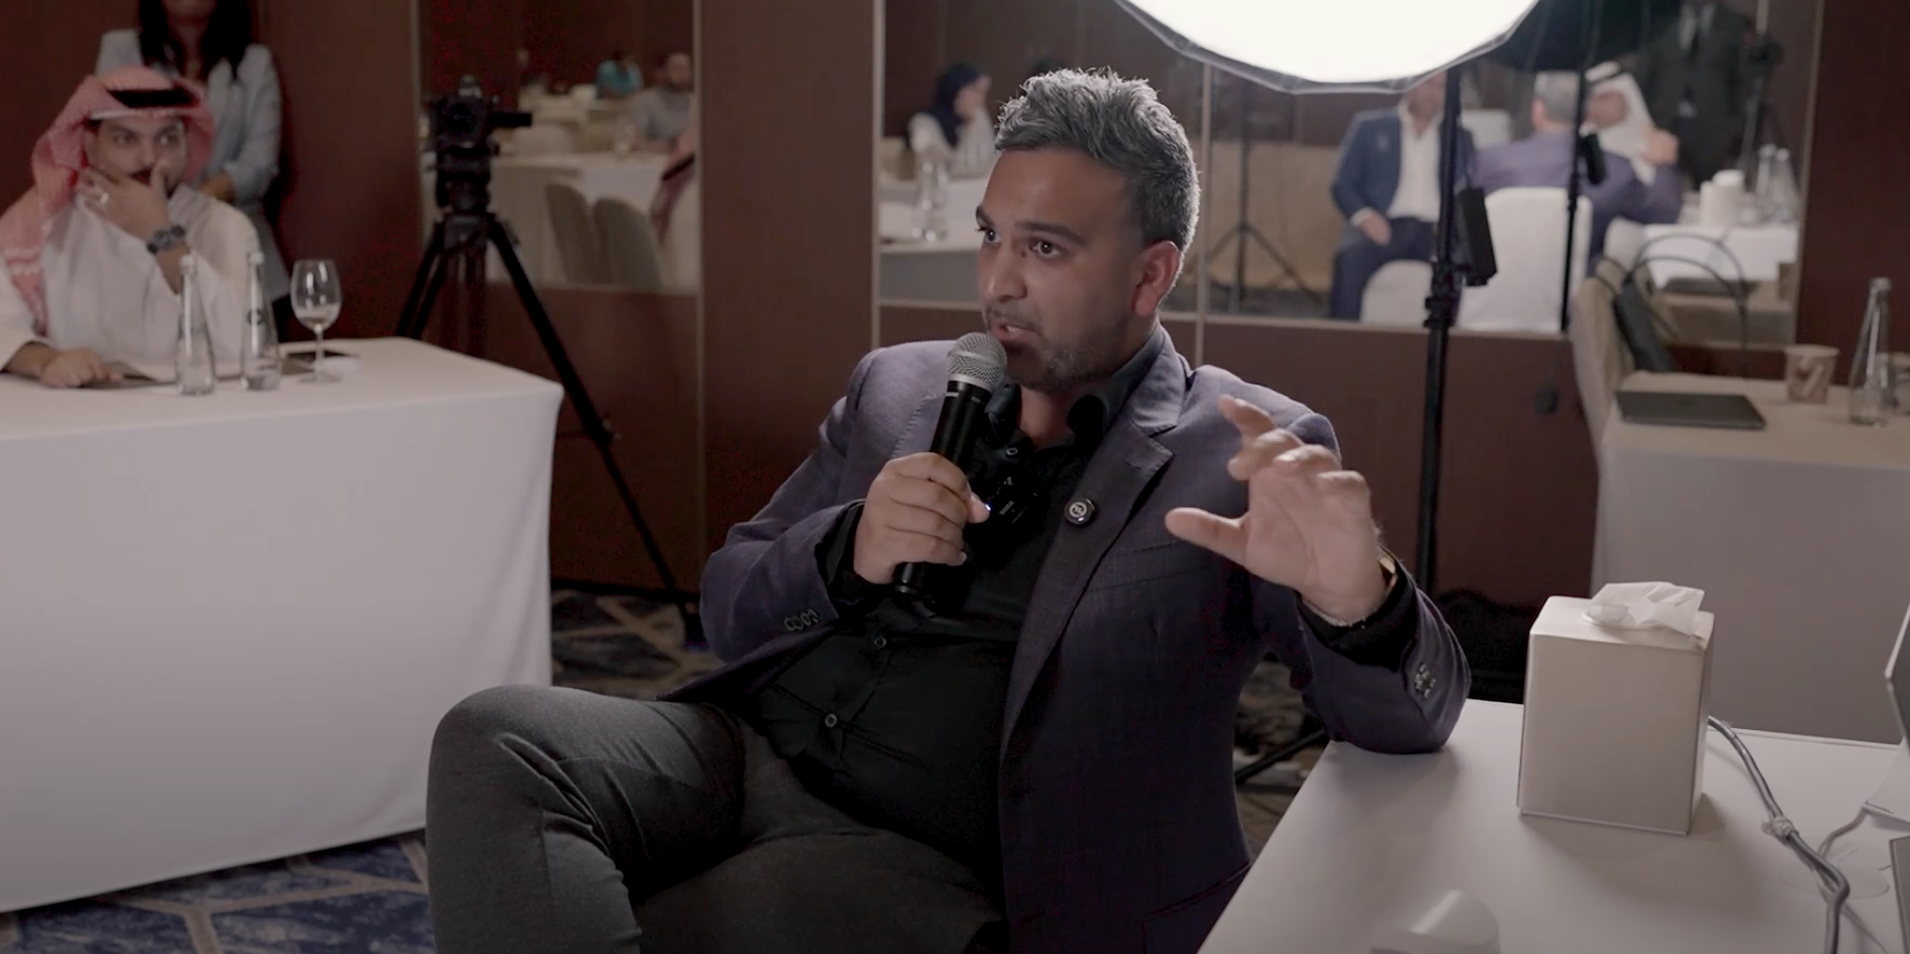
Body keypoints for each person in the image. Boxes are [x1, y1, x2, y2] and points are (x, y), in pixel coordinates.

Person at [425, 69, 1467, 954]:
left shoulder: (1236, 448)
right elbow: (731, 604)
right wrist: (848, 549)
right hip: (746, 755)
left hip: (942, 857)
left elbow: (1408, 724)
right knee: (494, 737)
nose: (998, 282)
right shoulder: (899, 387)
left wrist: (1357, 599)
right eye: (990, 236)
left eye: (1045, 250)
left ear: (1151, 274)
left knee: (699, 916)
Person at [0, 68, 256, 388]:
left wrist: (161, 236)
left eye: (167, 139)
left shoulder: (224, 225)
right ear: (91, 146)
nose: (149, 158)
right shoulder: (43, 223)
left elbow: (248, 344)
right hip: (81, 409)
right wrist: (46, 361)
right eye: (125, 139)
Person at [98, 0, 287, 320]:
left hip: (238, 256)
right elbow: (112, 136)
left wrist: (190, 208)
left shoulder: (255, 63)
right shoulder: (122, 49)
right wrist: (156, 218)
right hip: (136, 256)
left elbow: (258, 165)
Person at [1475, 71, 1682, 261]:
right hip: (1580, 287)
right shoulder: (1615, 171)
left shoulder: (1488, 163)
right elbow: (1664, 213)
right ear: (1588, 113)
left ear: (1537, 109)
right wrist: (1664, 164)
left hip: (1501, 285)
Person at [1326, 70, 1476, 319]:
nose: (1433, 93)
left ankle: (1451, 338)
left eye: (1442, 87)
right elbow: (1342, 184)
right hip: (1384, 224)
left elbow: (1467, 188)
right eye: (1429, 84)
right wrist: (1365, 217)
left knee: (1462, 264)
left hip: (1435, 231)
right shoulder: (1369, 127)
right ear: (1410, 85)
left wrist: (1452, 223)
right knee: (1350, 258)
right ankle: (1341, 335)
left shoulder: (1460, 137)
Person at [1631, 0, 1752, 184]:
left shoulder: (1734, 23)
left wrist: (1734, 128)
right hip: (1664, 122)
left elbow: (1742, 81)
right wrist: (1643, 121)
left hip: (1713, 128)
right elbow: (1645, 72)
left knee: (1708, 188)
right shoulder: (1662, 19)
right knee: (1662, 186)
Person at [909, 62, 996, 179]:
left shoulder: (978, 117)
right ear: (955, 89)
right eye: (975, 90)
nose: (980, 100)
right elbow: (950, 170)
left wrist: (973, 124)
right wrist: (970, 128)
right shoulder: (923, 123)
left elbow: (988, 161)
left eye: (983, 92)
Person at [627, 51, 695, 152]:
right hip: (657, 159)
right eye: (677, 68)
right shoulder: (645, 101)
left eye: (687, 68)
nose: (683, 74)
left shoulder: (698, 103)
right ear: (662, 72)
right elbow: (635, 143)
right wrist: (673, 145)